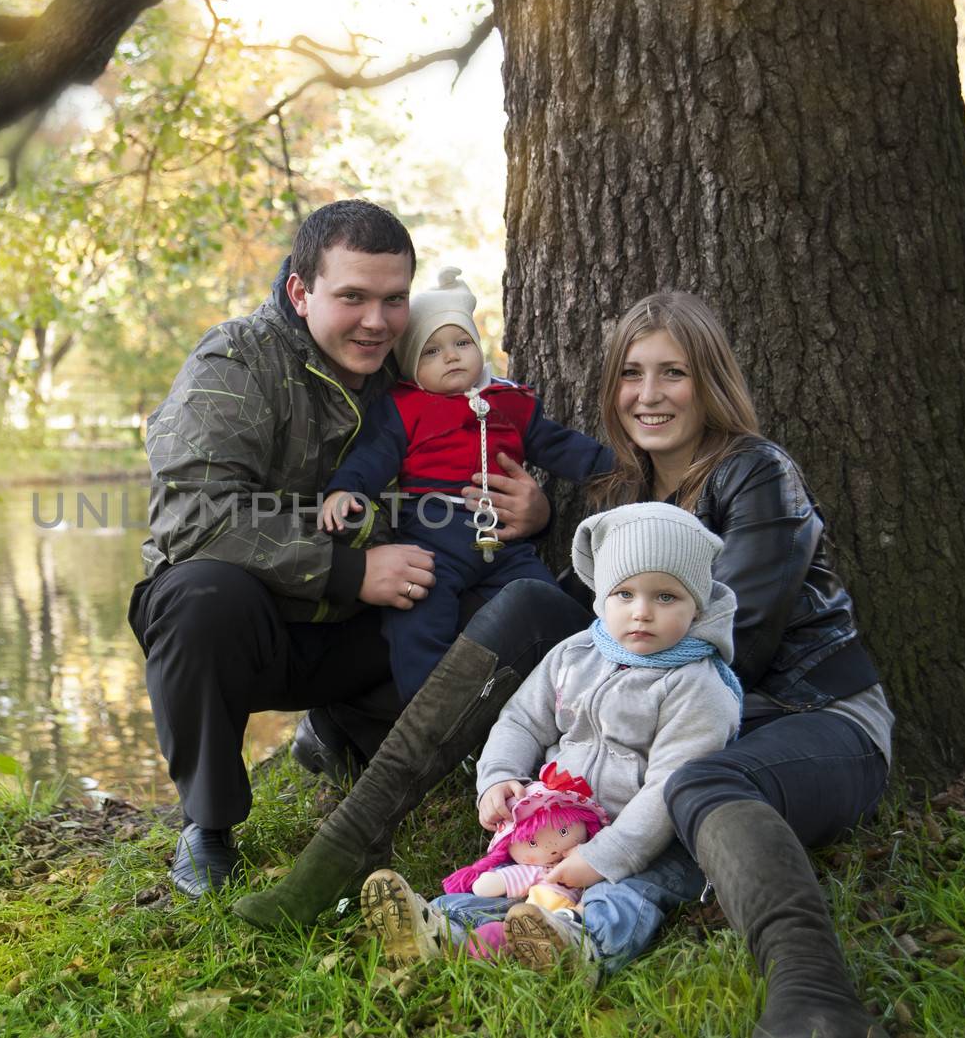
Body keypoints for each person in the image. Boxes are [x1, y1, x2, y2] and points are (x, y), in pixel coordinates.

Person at [233, 290, 893, 1038]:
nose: (648, 395)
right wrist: (544, 528)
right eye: (631, 374)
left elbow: (745, 640)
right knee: (526, 604)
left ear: (709, 380)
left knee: (701, 778)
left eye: (673, 373)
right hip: (668, 730)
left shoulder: (756, 472)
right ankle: (349, 842)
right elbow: (578, 634)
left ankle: (815, 997)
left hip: (805, 717)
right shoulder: (622, 490)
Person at [129, 200, 547, 897]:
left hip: (374, 627)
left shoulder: (418, 362)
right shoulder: (235, 359)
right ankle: (209, 823)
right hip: (257, 623)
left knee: (503, 602)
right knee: (196, 596)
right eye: (352, 296)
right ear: (301, 290)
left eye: (392, 299)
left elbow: (497, 432)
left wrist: (533, 507)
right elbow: (193, 512)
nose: (377, 321)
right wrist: (347, 568)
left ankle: (345, 732)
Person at [359, 503, 742, 966]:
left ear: (697, 603)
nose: (642, 613)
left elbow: (670, 785)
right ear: (601, 596)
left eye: (666, 597)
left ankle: (579, 945)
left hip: (649, 843)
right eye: (624, 594)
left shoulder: (697, 685)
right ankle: (442, 931)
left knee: (624, 897)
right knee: (513, 881)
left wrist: (607, 856)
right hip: (559, 829)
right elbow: (522, 719)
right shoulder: (574, 655)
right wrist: (498, 776)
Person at [320, 267, 608, 701]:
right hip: (435, 538)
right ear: (412, 367)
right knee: (416, 618)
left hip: (507, 545)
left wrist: (613, 468)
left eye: (461, 343)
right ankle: (430, 718)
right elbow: (374, 456)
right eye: (431, 351)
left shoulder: (510, 401)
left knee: (548, 607)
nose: (451, 356)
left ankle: (579, 697)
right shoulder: (406, 407)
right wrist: (345, 490)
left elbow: (560, 445)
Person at [359, 762, 609, 962]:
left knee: (613, 899)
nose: (552, 845)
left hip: (606, 862)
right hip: (530, 898)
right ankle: (437, 928)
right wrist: (498, 774)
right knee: (486, 904)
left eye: (563, 831)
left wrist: (600, 858)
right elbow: (520, 721)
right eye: (531, 842)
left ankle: (574, 942)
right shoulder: (529, 870)